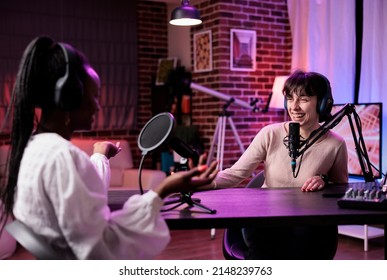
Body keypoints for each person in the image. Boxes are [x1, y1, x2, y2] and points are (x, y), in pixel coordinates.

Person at [0, 36, 218, 260]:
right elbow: (105, 248)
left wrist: (100, 155)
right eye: (94, 96)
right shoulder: (62, 157)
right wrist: (162, 190)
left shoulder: (34, 148)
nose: (98, 105)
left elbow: (80, 204)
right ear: (70, 97)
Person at [209, 70, 349, 259]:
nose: (294, 107)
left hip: (307, 224)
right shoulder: (270, 134)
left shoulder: (336, 144)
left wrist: (324, 179)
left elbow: (341, 189)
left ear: (323, 103)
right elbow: (235, 174)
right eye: (290, 99)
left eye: (304, 99)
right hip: (268, 221)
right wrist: (197, 182)